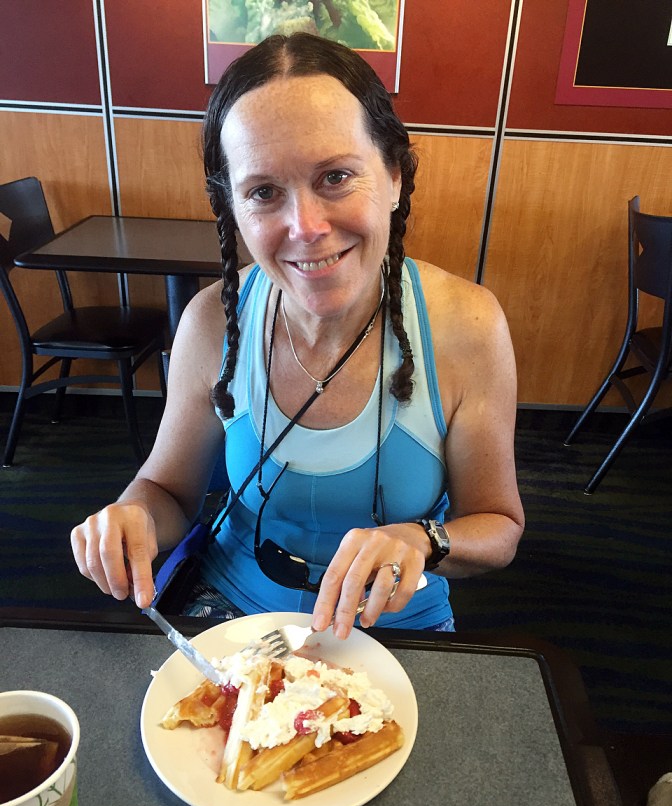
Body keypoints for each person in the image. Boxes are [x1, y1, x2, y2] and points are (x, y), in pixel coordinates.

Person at [71, 32, 525, 640]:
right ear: (233, 207)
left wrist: (424, 539)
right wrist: (131, 516)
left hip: (395, 622)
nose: (305, 227)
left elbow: (498, 527)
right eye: (263, 192)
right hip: (234, 609)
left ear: (394, 177)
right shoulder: (213, 322)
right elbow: (166, 492)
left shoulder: (467, 325)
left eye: (335, 176)